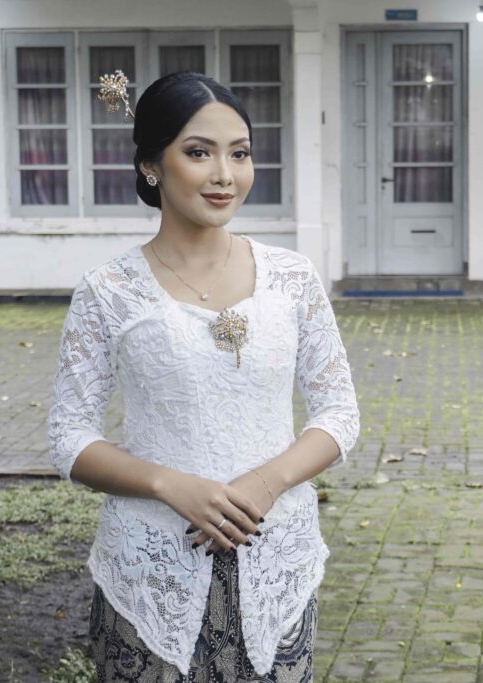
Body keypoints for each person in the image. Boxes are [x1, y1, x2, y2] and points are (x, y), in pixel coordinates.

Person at [46, 70, 360, 681]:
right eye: (199, 153)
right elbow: (69, 437)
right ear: (150, 167)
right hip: (149, 566)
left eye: (239, 154)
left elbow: (340, 414)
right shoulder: (108, 292)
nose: (225, 175)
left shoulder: (292, 278)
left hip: (276, 562)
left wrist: (268, 483)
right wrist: (171, 485)